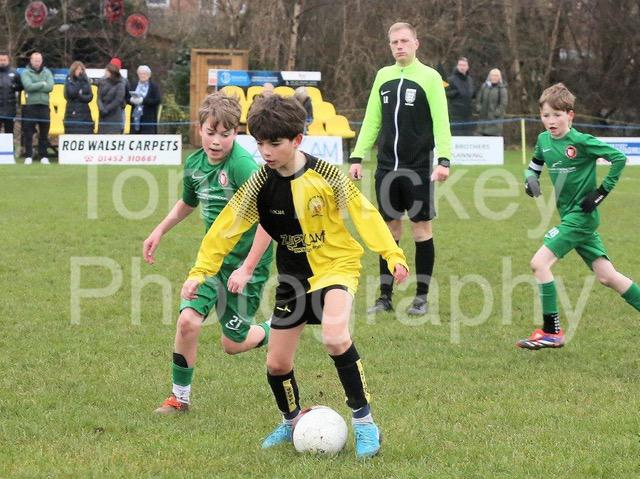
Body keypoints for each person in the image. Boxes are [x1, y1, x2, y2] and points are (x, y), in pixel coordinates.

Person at [180, 94, 409, 458]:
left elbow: (363, 212)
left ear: (297, 140)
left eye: (274, 143)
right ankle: (290, 421)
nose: (266, 151)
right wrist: (201, 271)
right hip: (292, 278)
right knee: (276, 363)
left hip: (335, 266)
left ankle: (365, 423)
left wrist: (392, 253)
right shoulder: (259, 184)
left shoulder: (327, 174)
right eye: (260, 143)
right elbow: (225, 228)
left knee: (335, 337)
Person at [145, 92, 273, 414]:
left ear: (236, 133)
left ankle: (278, 327)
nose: (216, 141)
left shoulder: (243, 166)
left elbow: (270, 218)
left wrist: (247, 268)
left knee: (233, 344)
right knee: (187, 321)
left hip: (246, 263)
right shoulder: (194, 164)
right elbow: (188, 203)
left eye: (225, 134)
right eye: (210, 132)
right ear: (199, 128)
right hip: (211, 261)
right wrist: (159, 230)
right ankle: (179, 398)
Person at [517, 83, 640, 350]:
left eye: (557, 115)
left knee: (539, 264)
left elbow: (618, 158)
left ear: (570, 115)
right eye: (546, 115)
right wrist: (530, 179)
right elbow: (534, 165)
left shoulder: (582, 142)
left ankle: (552, 331)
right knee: (607, 276)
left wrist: (600, 193)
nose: (551, 121)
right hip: (571, 218)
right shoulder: (543, 140)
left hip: (581, 218)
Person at [348, 22, 452, 316]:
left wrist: (444, 159)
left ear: (416, 43)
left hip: (418, 168)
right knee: (388, 232)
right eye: (394, 42)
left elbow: (441, 121)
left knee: (421, 230)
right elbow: (372, 120)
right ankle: (385, 297)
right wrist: (357, 156)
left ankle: (421, 297)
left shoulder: (430, 77)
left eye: (404, 41)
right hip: (386, 169)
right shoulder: (383, 76)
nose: (399, 46)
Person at [20, 52, 53, 164]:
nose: (37, 62)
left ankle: (43, 156)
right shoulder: (26, 72)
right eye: (35, 60)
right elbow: (28, 86)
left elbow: (50, 87)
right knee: (28, 132)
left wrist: (37, 85)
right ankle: (28, 156)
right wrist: (42, 83)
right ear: (31, 60)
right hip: (30, 106)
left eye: (39, 60)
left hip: (44, 106)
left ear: (42, 61)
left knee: (44, 133)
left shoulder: (47, 72)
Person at [446, 57, 475, 136]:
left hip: (468, 114)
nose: (462, 67)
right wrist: (455, 93)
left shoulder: (470, 80)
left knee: (467, 135)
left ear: (467, 67)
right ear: (457, 66)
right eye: (460, 65)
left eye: (464, 65)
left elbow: (472, 94)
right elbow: (445, 93)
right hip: (455, 114)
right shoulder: (450, 79)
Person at [129, 65, 162, 134]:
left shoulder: (154, 86)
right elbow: (127, 98)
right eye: (140, 73)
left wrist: (143, 101)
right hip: (135, 119)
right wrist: (131, 100)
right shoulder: (133, 85)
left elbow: (157, 100)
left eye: (144, 74)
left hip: (148, 120)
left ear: (149, 75)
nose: (142, 75)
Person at [63, 61, 94, 134]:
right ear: (73, 70)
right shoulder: (69, 79)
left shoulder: (86, 80)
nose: (80, 71)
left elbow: (90, 96)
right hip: (72, 111)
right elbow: (71, 93)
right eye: (78, 69)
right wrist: (79, 85)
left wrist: (80, 96)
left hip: (85, 113)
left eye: (81, 69)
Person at [476, 68, 508, 136]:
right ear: (489, 76)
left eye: (496, 76)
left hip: (495, 123)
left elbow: (503, 104)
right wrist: (479, 109)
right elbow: (479, 99)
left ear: (499, 77)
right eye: (493, 75)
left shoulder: (502, 89)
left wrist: (496, 113)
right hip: (482, 121)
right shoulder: (484, 87)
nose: (494, 77)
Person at [97, 63, 126, 134]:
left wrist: (107, 109)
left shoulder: (120, 84)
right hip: (103, 116)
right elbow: (99, 97)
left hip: (114, 115)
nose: (105, 72)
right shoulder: (102, 82)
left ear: (111, 72)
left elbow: (118, 100)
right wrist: (101, 108)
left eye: (106, 71)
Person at [0, 52, 22, 135]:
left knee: (8, 134)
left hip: (10, 109)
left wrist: (14, 86)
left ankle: (8, 144)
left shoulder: (15, 72)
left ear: (8, 60)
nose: (2, 62)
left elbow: (21, 87)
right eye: (0, 60)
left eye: (4, 60)